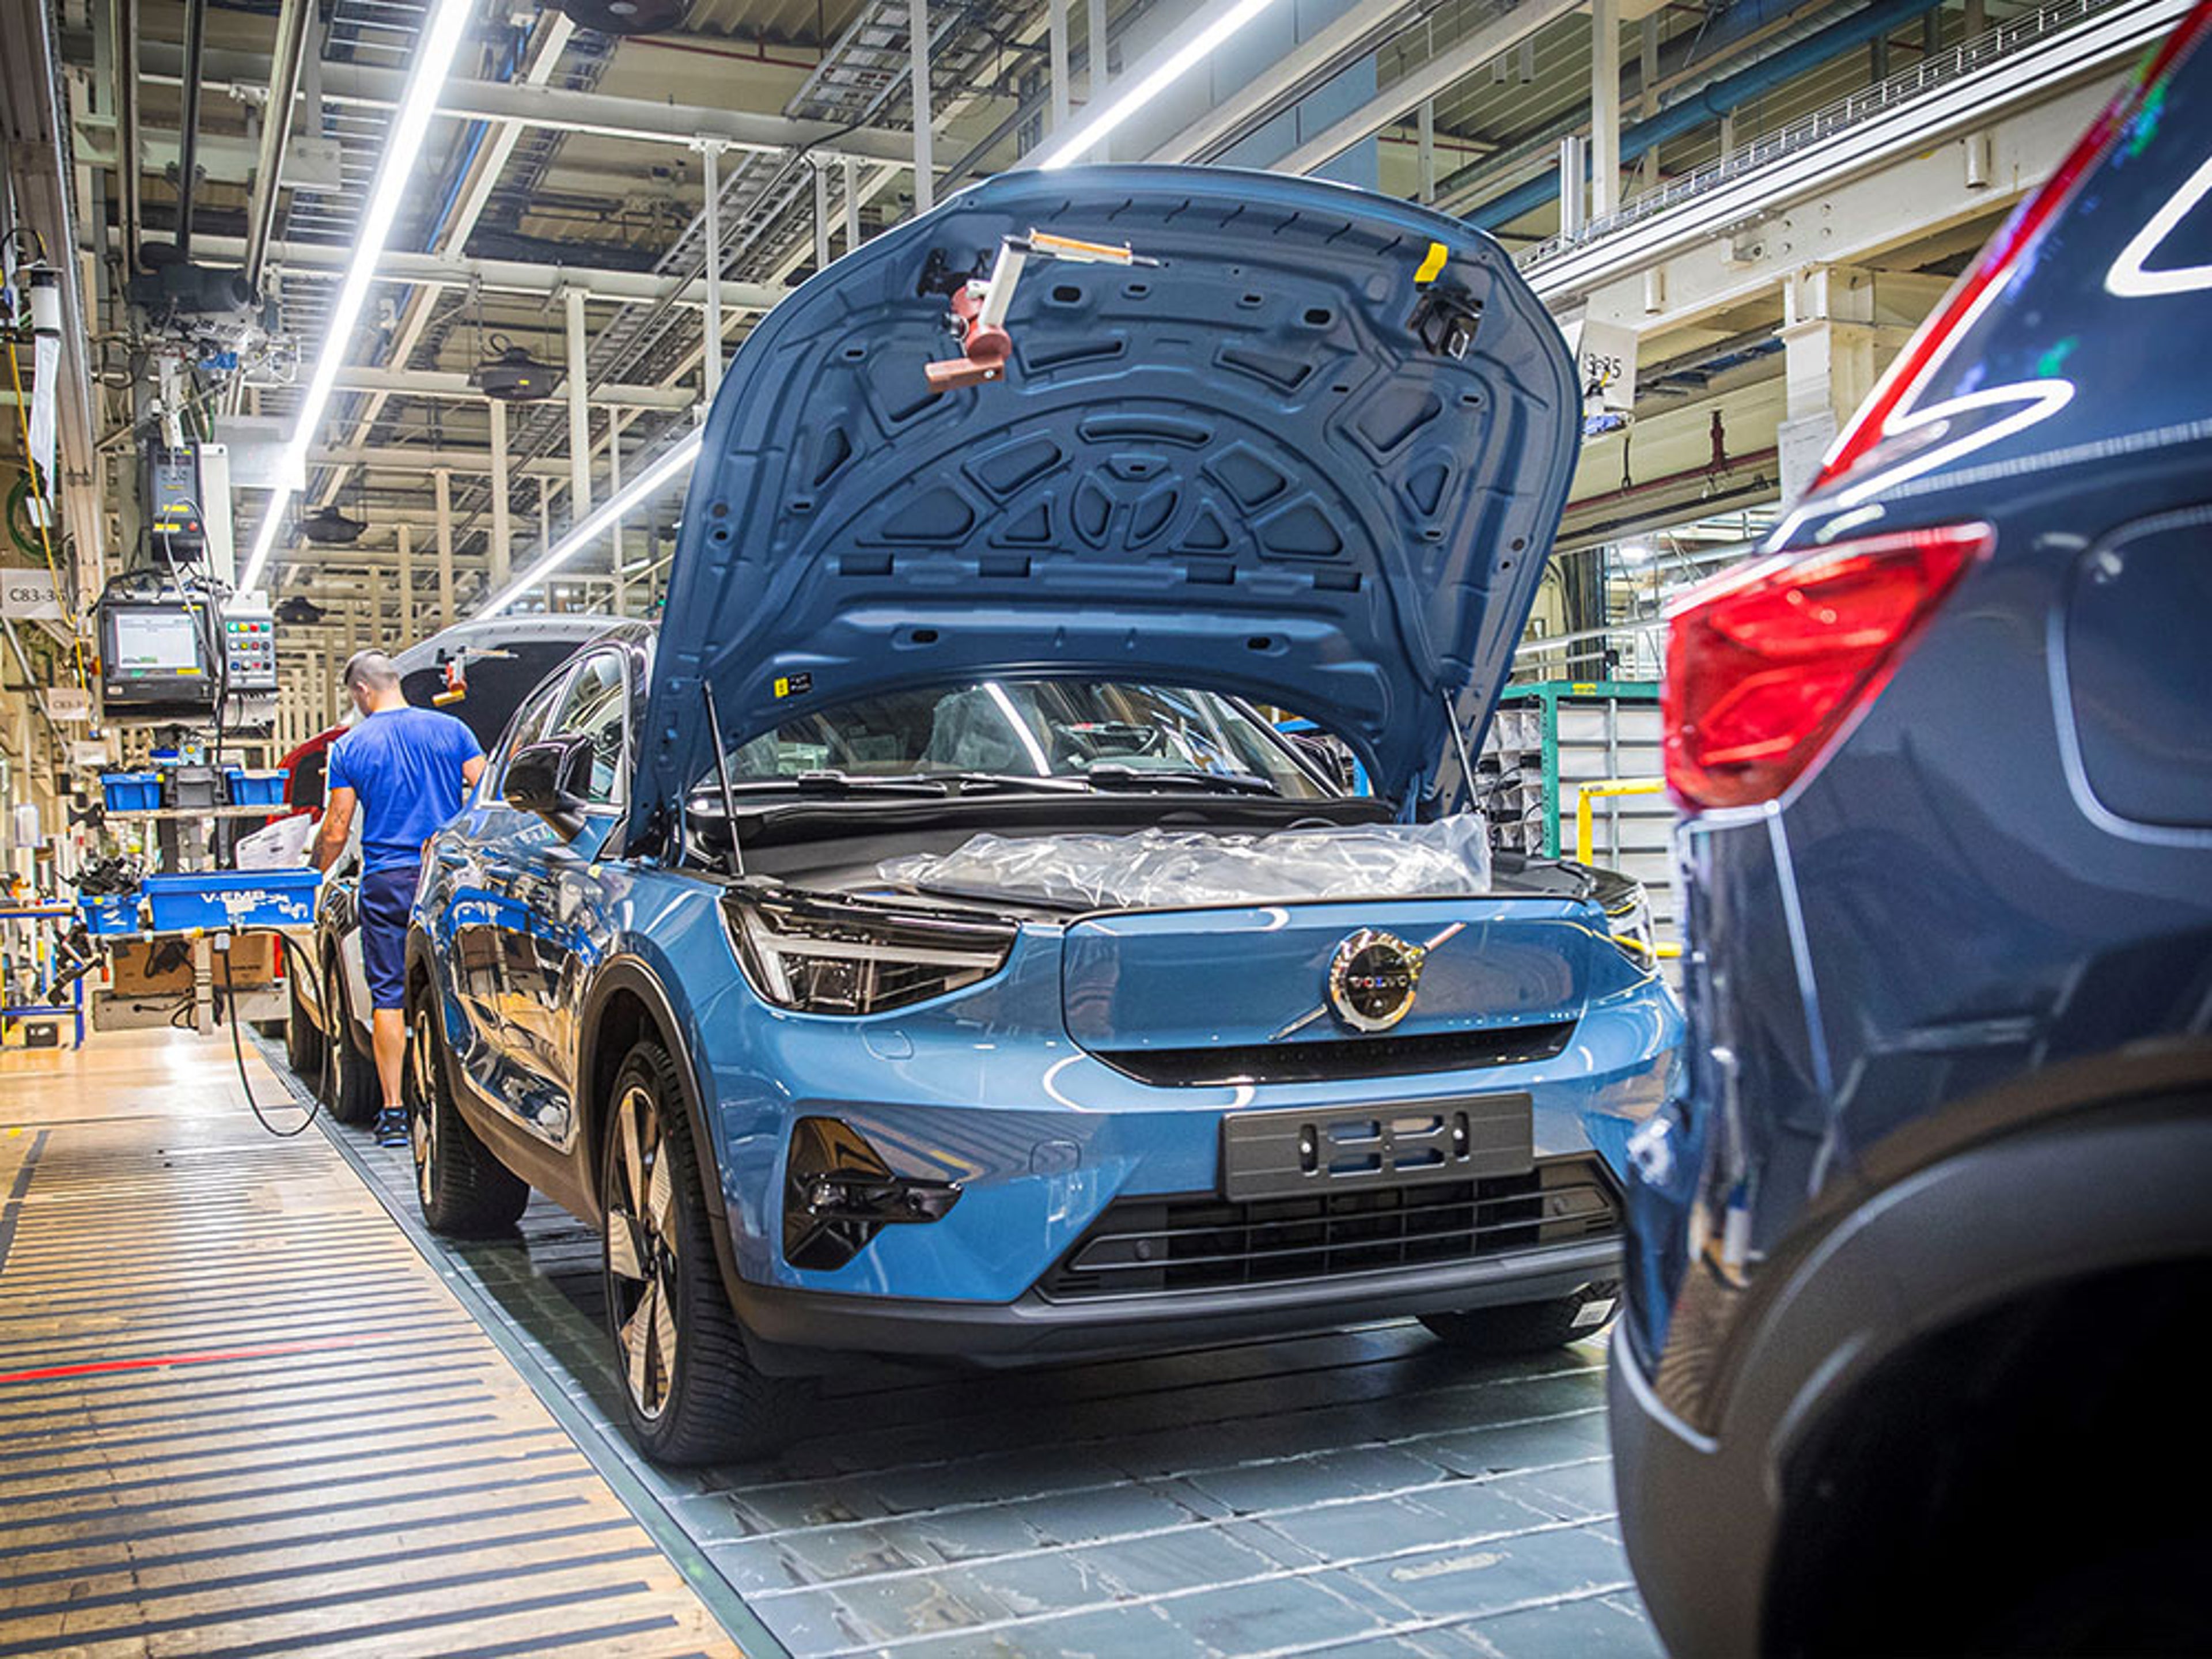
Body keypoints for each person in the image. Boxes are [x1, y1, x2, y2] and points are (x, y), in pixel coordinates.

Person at [313, 650, 485, 1147]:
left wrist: (313, 875)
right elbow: (488, 788)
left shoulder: (349, 747)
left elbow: (337, 829)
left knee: (389, 995)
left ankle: (393, 1112)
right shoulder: (451, 730)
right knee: (454, 983)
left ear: (362, 692)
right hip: (443, 876)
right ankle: (461, 1102)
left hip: (386, 880)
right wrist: (451, 832)